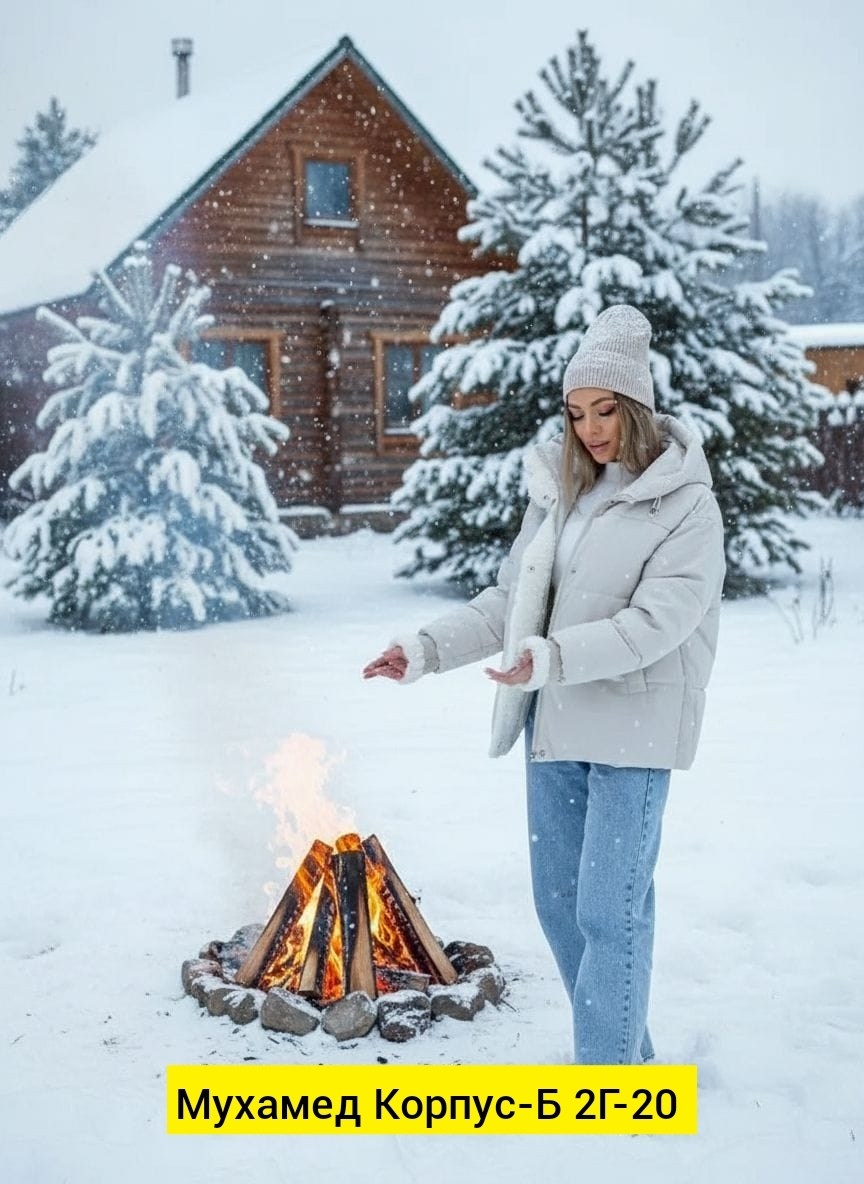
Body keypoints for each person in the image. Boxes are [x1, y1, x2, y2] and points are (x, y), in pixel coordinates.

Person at [363, 304, 726, 1065]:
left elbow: (657, 623)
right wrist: (424, 649)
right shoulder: (562, 498)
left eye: (605, 409)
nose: (590, 428)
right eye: (576, 412)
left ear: (636, 407)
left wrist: (552, 656)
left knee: (608, 911)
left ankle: (609, 1083)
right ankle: (629, 1054)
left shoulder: (687, 505)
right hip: (553, 724)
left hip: (633, 729)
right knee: (559, 906)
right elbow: (510, 603)